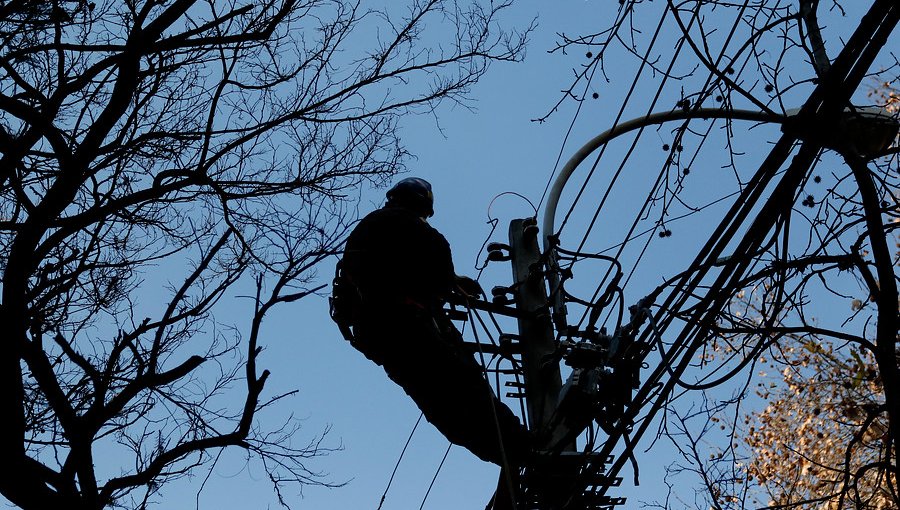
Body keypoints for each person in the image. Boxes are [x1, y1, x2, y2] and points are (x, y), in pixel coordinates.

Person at [334, 177, 529, 467]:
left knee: (442, 407)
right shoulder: (420, 232)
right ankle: (522, 448)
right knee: (467, 389)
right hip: (410, 326)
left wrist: (451, 282)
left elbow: (388, 271)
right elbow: (435, 275)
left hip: (378, 337)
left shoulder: (367, 229)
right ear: (421, 206)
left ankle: (509, 453)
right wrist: (449, 285)